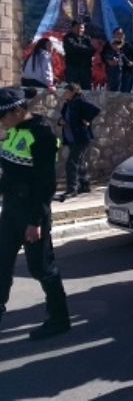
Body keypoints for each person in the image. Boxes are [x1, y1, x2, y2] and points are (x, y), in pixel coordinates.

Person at [0, 87, 70, 339]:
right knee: (2, 263)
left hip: (32, 213)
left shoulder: (42, 134)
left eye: (2, 116)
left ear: (18, 111)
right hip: (11, 209)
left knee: (41, 268)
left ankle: (59, 319)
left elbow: (45, 184)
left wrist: (35, 221)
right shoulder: (12, 130)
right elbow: (10, 172)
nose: (1, 122)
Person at [55, 83, 100, 201]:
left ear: (73, 92)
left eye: (67, 92)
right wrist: (60, 122)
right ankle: (84, 185)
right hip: (71, 138)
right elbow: (63, 118)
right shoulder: (68, 104)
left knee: (71, 163)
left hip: (80, 138)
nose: (65, 94)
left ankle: (72, 189)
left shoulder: (80, 102)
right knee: (79, 162)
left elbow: (95, 110)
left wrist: (86, 120)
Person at [63, 21, 94, 90]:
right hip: (73, 68)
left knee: (87, 89)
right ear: (72, 28)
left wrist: (83, 49)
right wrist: (86, 49)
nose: (80, 29)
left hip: (86, 68)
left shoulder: (87, 39)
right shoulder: (68, 38)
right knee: (72, 89)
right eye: (77, 27)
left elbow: (92, 51)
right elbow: (74, 47)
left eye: (82, 28)